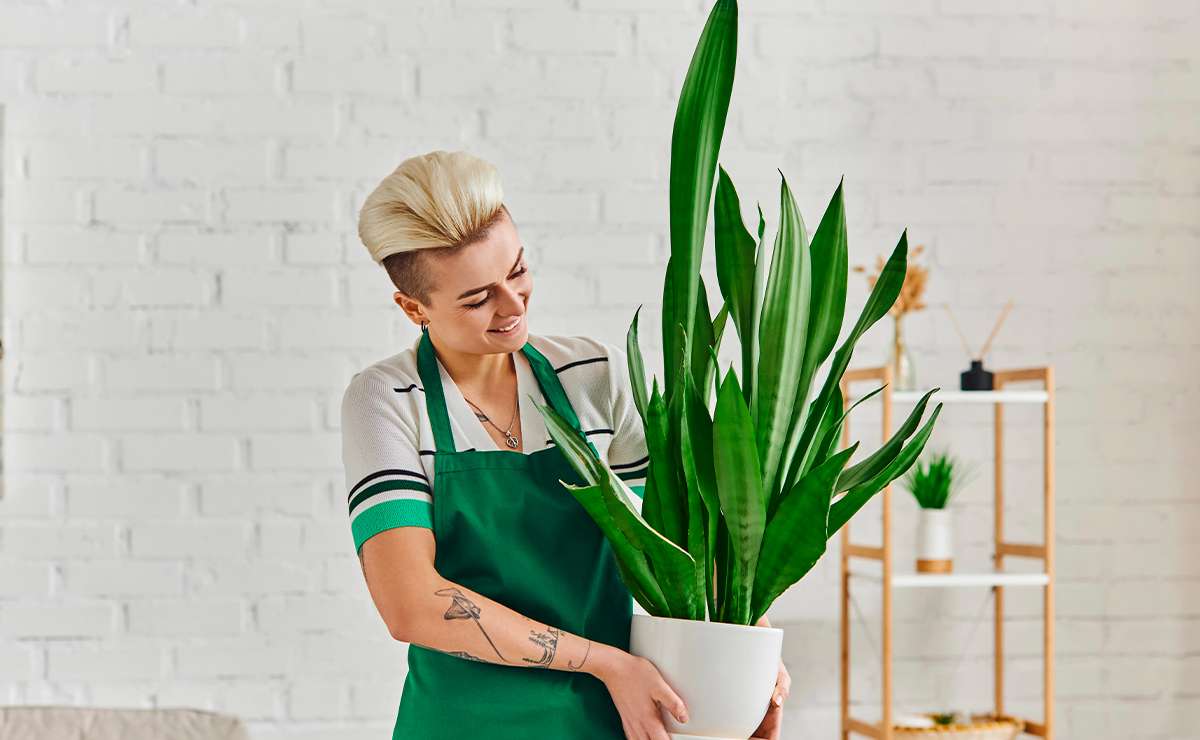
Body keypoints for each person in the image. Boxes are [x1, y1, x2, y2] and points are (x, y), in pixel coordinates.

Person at [341, 149, 788, 740]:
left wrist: (742, 655)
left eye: (517, 271)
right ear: (412, 308)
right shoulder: (389, 400)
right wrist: (607, 663)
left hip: (609, 718)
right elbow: (412, 604)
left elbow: (678, 543)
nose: (513, 305)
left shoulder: (590, 375)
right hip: (463, 724)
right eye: (477, 299)